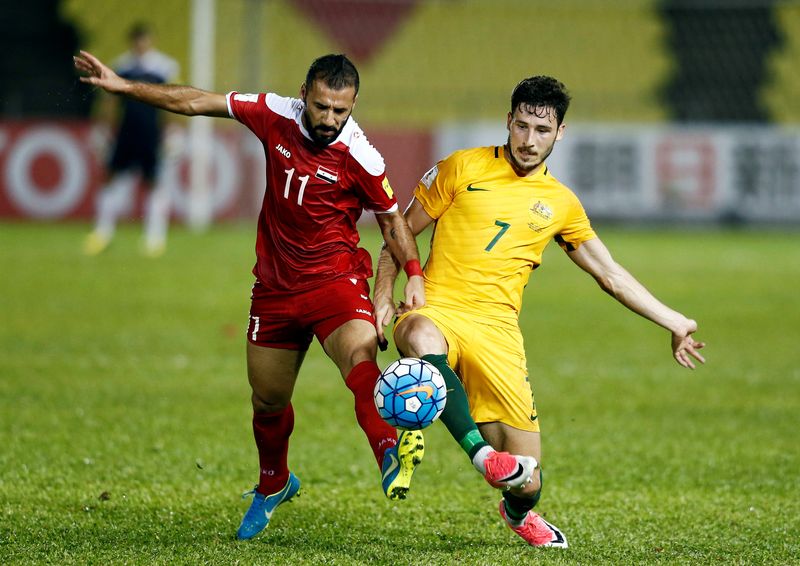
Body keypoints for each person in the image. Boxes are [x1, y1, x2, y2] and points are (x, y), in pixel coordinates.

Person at [74, 49, 444, 541]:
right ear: (304, 94)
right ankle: (274, 484)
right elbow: (195, 102)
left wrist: (413, 273)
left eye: (342, 111)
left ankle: (388, 453)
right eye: (322, 107)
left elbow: (393, 221)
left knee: (358, 359)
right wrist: (125, 87)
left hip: (335, 280)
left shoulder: (362, 156)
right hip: (274, 288)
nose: (330, 119)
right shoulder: (274, 113)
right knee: (268, 402)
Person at [374, 76, 706, 549]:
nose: (529, 141)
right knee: (423, 339)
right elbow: (399, 232)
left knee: (528, 482)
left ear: (560, 133)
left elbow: (609, 273)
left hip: (499, 334)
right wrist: (385, 289)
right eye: (522, 126)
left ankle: (516, 512)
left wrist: (674, 320)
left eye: (542, 131)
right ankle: (481, 455)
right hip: (438, 306)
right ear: (508, 122)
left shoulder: (561, 204)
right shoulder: (460, 168)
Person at [83, 23, 179, 257]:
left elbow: (174, 99)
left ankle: (154, 239)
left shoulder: (164, 67)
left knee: (154, 182)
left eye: (144, 40)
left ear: (150, 41)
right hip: (126, 133)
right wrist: (103, 129)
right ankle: (102, 233)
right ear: (132, 42)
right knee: (110, 178)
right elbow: (110, 101)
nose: (140, 44)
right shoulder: (122, 66)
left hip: (151, 134)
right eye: (137, 40)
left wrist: (173, 132)